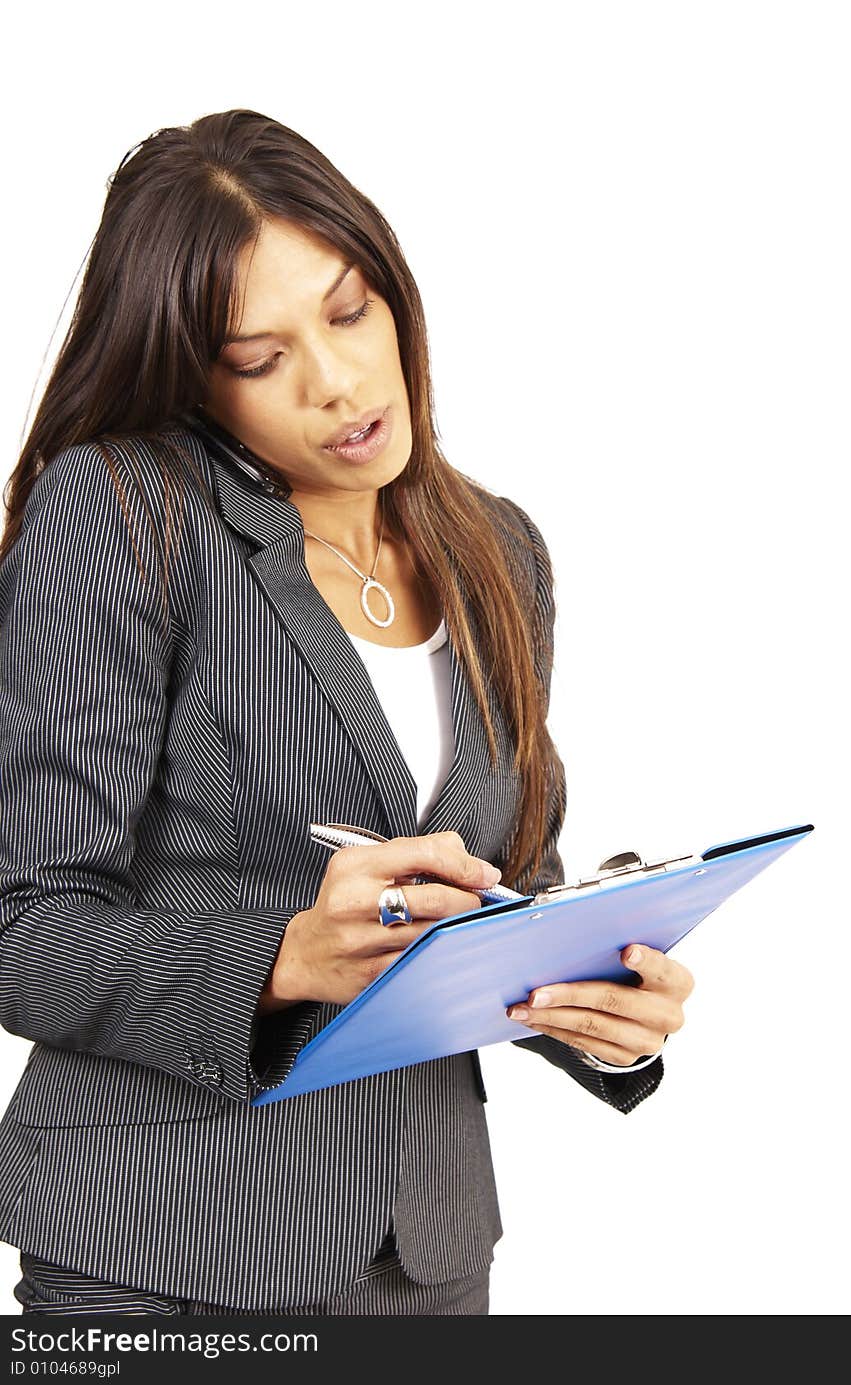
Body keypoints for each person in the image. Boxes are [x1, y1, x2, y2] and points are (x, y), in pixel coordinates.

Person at [0, 108, 694, 1317]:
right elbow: (23, 925)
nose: (336, 382)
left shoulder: (498, 551)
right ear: (192, 377)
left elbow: (501, 883)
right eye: (258, 359)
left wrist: (601, 1003)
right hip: (159, 1253)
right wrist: (279, 956)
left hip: (425, 1255)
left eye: (348, 309)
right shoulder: (121, 514)